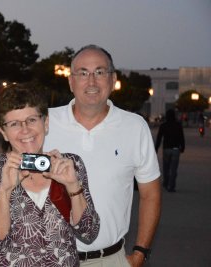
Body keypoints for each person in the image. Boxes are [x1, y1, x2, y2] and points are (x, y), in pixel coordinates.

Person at [43, 44, 161, 267]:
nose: (91, 82)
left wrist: (140, 253)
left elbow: (151, 194)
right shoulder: (44, 122)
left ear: (113, 79)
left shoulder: (134, 127)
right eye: (83, 73)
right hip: (48, 258)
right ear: (71, 81)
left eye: (100, 72)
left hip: (109, 260)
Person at [0, 86, 100, 266]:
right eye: (14, 124)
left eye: (32, 119)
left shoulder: (69, 165)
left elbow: (89, 233)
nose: (25, 130)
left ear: (46, 123)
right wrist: (5, 191)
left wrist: (72, 186)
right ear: (3, 132)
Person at [155, 109, 185, 192]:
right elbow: (181, 137)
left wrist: (156, 148)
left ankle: (166, 182)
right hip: (176, 149)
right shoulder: (178, 125)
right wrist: (182, 147)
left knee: (166, 168)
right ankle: (171, 186)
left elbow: (159, 138)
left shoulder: (163, 125)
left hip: (166, 149)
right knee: (174, 169)